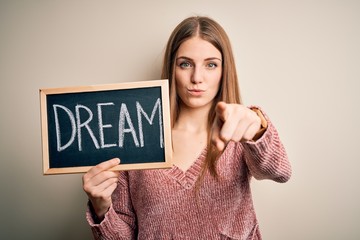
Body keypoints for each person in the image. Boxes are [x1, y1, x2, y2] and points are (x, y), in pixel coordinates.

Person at [82, 16, 291, 239]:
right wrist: (101, 207)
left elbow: (280, 173)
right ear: (172, 69)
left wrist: (257, 129)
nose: (196, 78)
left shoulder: (239, 130)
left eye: (211, 64)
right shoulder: (135, 139)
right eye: (185, 64)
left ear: (224, 71)